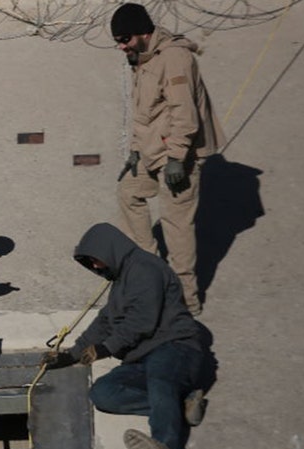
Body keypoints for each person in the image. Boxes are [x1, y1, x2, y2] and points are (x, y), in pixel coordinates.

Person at [41, 222, 207, 449]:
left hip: (174, 347)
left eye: (96, 260)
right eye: (90, 263)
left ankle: (167, 448)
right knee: (103, 393)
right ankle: (180, 405)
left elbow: (141, 321)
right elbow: (104, 322)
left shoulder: (145, 269)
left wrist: (105, 349)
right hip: (140, 359)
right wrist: (71, 355)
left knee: (161, 377)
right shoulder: (120, 284)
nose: (95, 267)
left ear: (109, 250)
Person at [112, 2, 226, 316]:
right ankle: (152, 269)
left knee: (177, 227)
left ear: (142, 32)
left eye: (125, 39)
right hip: (151, 150)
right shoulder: (142, 58)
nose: (121, 47)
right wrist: (135, 150)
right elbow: (143, 113)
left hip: (178, 154)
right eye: (118, 42)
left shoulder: (175, 58)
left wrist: (177, 158)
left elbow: (184, 115)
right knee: (128, 192)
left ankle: (186, 301)